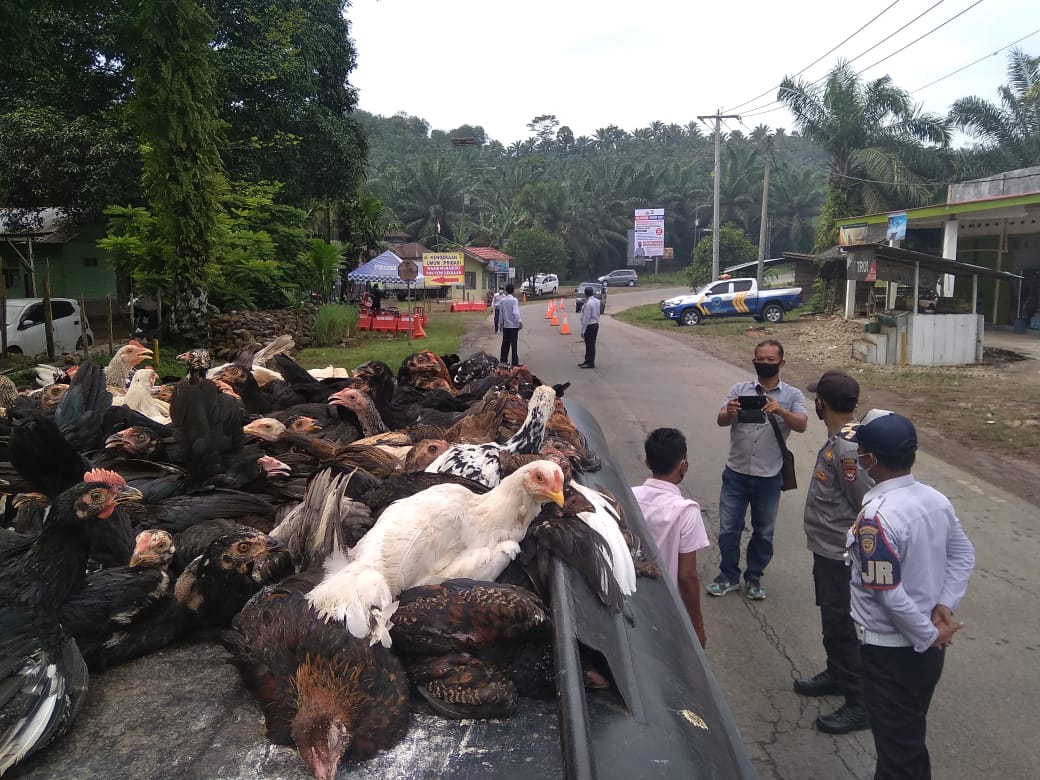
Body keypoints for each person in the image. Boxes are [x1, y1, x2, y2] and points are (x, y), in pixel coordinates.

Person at [844, 411, 975, 780]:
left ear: (871, 460)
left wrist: (928, 633)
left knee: (901, 754)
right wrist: (943, 606)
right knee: (905, 739)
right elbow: (963, 554)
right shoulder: (934, 499)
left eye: (862, 453)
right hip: (927, 651)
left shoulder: (876, 518)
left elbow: (887, 592)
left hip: (890, 653)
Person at [794, 371, 874, 735]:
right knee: (831, 616)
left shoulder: (847, 449)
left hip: (840, 554)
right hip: (826, 549)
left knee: (843, 624)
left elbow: (865, 504)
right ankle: (837, 674)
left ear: (821, 403)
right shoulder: (840, 440)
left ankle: (860, 702)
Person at [709, 339, 807, 600]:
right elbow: (720, 420)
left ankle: (754, 577)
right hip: (736, 472)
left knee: (763, 532)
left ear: (781, 362)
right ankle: (728, 575)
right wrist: (729, 412)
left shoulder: (793, 395)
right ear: (753, 361)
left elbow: (801, 425)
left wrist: (781, 412)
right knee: (729, 529)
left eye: (770, 360)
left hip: (769, 476)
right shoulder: (740, 389)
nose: (765, 364)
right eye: (760, 359)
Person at [632, 428, 709, 647]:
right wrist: (697, 626)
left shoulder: (628, 495)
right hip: (666, 607)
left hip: (631, 598)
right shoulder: (685, 511)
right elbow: (687, 577)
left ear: (647, 462)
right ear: (683, 465)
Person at [498, 283, 522, 367]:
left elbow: (501, 314)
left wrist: (501, 324)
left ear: (506, 291)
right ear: (513, 290)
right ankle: (514, 363)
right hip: (514, 326)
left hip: (506, 326)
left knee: (505, 343)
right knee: (514, 344)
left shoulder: (502, 301)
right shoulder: (514, 300)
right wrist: (519, 321)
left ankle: (503, 361)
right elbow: (516, 312)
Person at [578, 286, 600, 369]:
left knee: (590, 345)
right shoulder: (597, 301)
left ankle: (590, 363)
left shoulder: (588, 304)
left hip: (590, 325)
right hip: (595, 324)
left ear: (586, 294)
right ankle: (587, 360)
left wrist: (583, 330)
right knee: (590, 344)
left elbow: (586, 318)